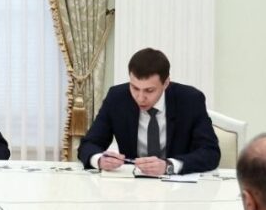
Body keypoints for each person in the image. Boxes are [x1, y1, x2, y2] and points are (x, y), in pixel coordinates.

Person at [77, 48, 219, 175]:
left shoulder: (190, 100)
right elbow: (88, 144)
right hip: (131, 188)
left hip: (178, 188)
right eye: (135, 88)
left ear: (166, 83)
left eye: (149, 90)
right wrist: (100, 160)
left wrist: (168, 166)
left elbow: (210, 153)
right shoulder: (117, 98)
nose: (140, 98)